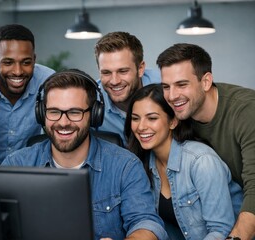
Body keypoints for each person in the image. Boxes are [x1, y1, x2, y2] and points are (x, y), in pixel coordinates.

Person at [1, 69, 168, 240]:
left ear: (94, 115)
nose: (63, 122)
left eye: (74, 112)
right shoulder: (16, 164)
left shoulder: (125, 166)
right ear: (42, 113)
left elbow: (146, 223)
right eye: (54, 111)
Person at [157, 43, 255, 240]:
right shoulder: (180, 118)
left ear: (206, 81)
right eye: (166, 87)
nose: (172, 96)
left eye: (182, 84)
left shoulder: (246, 112)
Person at [124, 84, 243, 240]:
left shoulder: (201, 161)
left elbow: (221, 230)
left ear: (173, 121)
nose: (141, 127)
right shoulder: (141, 163)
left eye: (152, 118)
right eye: (135, 118)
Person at [0, 24, 55, 164]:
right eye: (8, 62)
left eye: (26, 62)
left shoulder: (49, 82)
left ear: (34, 60)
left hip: (27, 172)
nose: (18, 71)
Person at [94, 31, 161, 146]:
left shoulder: (166, 87)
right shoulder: (90, 97)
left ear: (140, 69)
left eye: (123, 71)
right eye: (106, 72)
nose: (114, 81)